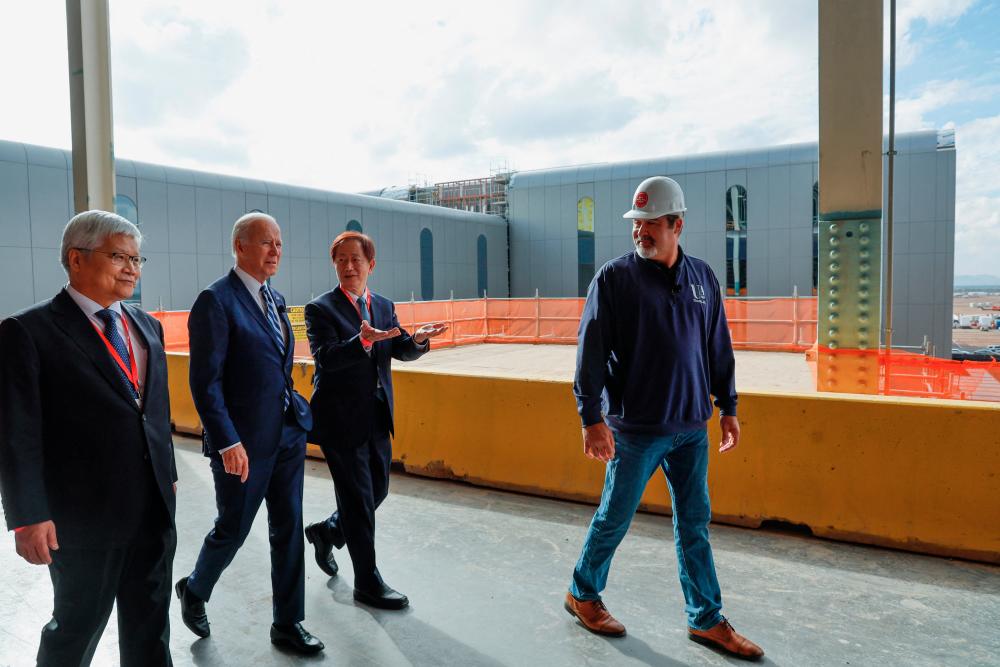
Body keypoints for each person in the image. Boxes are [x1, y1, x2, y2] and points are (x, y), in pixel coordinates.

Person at [564, 176, 764, 660]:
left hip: (691, 428)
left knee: (694, 523)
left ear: (677, 224)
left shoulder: (702, 278)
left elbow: (718, 346)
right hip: (636, 429)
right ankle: (582, 593)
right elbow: (590, 352)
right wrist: (591, 416)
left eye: (652, 224)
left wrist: (728, 406)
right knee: (615, 515)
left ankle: (706, 619)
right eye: (637, 224)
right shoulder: (614, 279)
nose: (641, 233)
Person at [0, 210, 177, 666]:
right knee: (76, 630)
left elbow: (153, 411)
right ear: (76, 259)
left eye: (138, 259)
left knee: (151, 626)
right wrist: (27, 516)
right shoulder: (28, 331)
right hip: (81, 520)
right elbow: (17, 434)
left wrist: (168, 474)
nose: (132, 268)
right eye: (120, 256)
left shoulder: (145, 326)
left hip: (152, 511)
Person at [175, 212, 323, 655]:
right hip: (241, 443)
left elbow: (276, 363)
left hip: (287, 433)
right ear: (240, 246)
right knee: (234, 527)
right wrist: (227, 441)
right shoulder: (215, 301)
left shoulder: (276, 299)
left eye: (278, 243)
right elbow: (206, 382)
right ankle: (196, 589)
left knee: (288, 527)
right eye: (266, 243)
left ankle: (288, 623)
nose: (275, 251)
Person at [303, 231, 447, 609]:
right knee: (358, 501)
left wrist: (417, 340)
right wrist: (362, 341)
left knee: (376, 491)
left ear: (371, 264)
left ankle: (328, 530)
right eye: (341, 260)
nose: (349, 267)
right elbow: (327, 358)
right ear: (334, 264)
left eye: (356, 260)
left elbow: (398, 347)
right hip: (339, 419)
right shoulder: (320, 308)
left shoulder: (382, 305)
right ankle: (367, 583)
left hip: (378, 416)